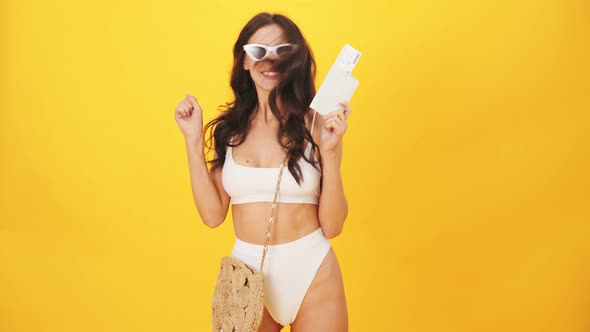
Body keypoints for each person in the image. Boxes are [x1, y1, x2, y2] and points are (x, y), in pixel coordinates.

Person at [174, 12, 352, 331]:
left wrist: (331, 153)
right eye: (258, 51)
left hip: (313, 273)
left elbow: (334, 225)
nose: (269, 61)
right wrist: (192, 139)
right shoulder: (230, 132)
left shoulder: (316, 124)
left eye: (281, 51)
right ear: (244, 60)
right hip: (246, 277)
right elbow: (213, 216)